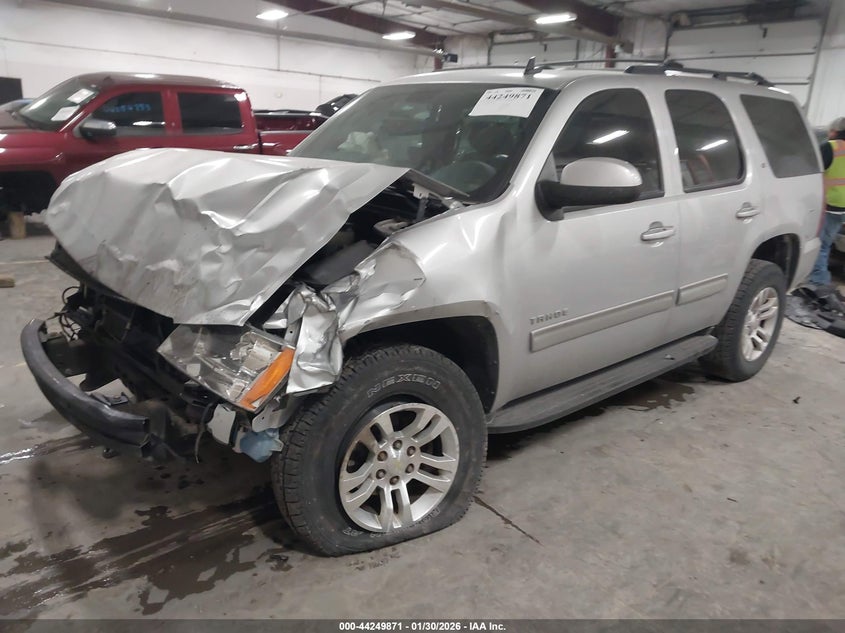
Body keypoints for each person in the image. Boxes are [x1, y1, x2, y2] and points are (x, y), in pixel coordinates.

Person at [808, 116, 845, 287]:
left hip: (829, 205)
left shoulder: (830, 147)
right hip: (841, 207)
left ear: (835, 131)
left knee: (820, 246)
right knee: (826, 244)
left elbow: (812, 173)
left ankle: (819, 281)